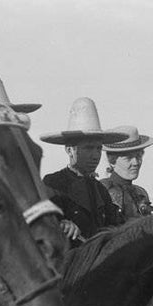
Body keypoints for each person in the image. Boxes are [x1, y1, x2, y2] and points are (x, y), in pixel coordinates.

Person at [38, 98, 129, 244]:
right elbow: (44, 221)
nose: (95, 155)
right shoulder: (53, 183)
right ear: (69, 150)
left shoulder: (100, 189)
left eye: (98, 148)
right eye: (88, 148)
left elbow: (115, 226)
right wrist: (62, 224)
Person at [100, 127, 153, 219]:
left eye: (138, 156)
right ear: (112, 161)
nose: (136, 163)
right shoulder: (102, 190)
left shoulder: (141, 193)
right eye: (128, 158)